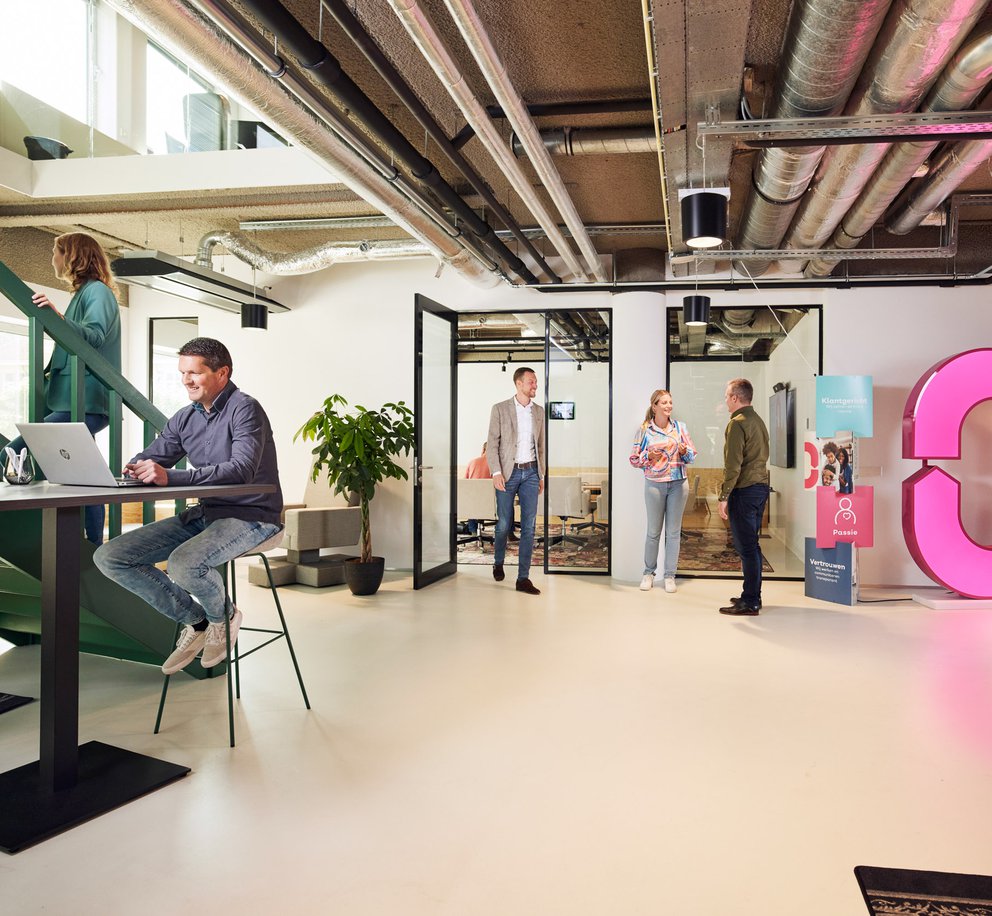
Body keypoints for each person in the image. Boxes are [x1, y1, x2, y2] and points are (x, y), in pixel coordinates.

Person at [93, 338, 283, 674]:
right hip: (208, 514)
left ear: (222, 373)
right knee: (111, 557)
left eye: (194, 373)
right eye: (183, 373)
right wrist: (137, 466)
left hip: (254, 516)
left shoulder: (245, 409)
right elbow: (155, 454)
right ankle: (198, 622)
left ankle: (223, 618)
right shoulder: (184, 418)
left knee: (183, 563)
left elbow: (241, 469)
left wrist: (170, 477)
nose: (186, 381)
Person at [4, 232, 121, 544]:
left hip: (85, 401)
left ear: (71, 256)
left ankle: (87, 542)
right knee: (88, 478)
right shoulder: (85, 293)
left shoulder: (98, 292)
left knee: (15, 450)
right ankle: (94, 545)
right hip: (72, 400)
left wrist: (56, 317)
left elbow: (93, 336)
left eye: (55, 252)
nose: (52, 259)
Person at [630, 389, 697, 593]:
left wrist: (685, 451)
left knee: (673, 533)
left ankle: (669, 576)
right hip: (654, 485)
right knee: (653, 532)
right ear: (654, 406)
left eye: (670, 402)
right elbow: (634, 459)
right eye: (664, 403)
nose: (669, 406)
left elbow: (692, 455)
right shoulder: (644, 430)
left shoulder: (680, 427)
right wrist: (647, 456)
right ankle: (648, 573)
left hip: (678, 484)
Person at [487, 366, 545, 595]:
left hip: (531, 472)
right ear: (519, 383)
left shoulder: (538, 412)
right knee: (503, 524)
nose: (535, 385)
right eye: (531, 381)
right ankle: (498, 562)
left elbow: (541, 446)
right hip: (507, 474)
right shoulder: (500, 409)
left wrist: (541, 474)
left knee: (529, 527)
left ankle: (523, 579)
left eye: (535, 382)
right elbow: (492, 444)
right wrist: (495, 472)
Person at [718, 378, 770, 616]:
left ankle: (750, 602)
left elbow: (733, 465)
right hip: (759, 488)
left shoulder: (737, 423)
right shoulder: (757, 420)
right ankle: (752, 595)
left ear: (735, 398)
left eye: (727, 396)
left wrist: (724, 496)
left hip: (744, 490)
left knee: (746, 548)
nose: (725, 401)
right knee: (752, 546)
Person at [463, 442, 493, 535]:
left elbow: (464, 483)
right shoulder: (496, 465)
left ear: (483, 450)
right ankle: (508, 533)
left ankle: (473, 531)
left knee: (472, 499)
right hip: (490, 504)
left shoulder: (472, 462)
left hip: (472, 503)